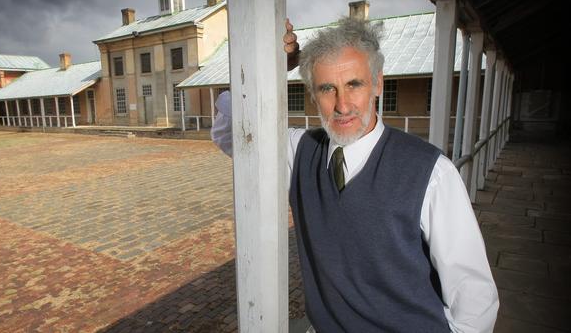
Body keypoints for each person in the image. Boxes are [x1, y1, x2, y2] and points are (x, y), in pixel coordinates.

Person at [212, 17, 498, 332]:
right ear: (312, 93)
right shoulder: (300, 151)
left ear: (378, 83)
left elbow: (475, 301)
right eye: (327, 89)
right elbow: (232, 130)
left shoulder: (431, 173)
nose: (342, 105)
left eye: (354, 84)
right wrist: (269, 68)